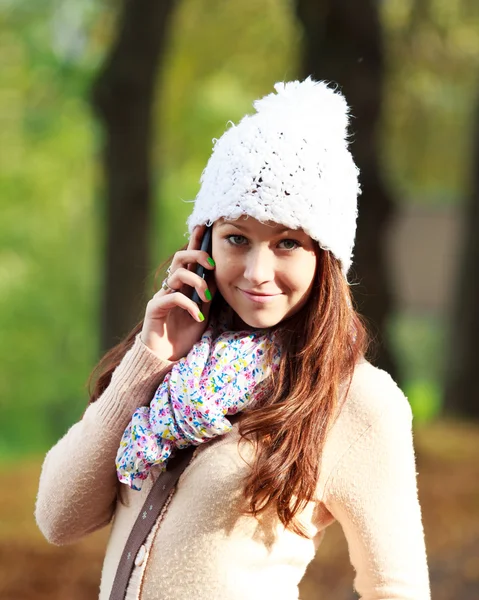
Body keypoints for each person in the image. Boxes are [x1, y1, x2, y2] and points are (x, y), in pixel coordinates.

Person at [35, 78, 431, 600]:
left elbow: (396, 589)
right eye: (236, 238)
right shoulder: (167, 365)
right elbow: (58, 519)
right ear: (202, 241)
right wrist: (147, 363)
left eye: (288, 242)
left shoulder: (356, 399)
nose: (257, 271)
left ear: (327, 257)